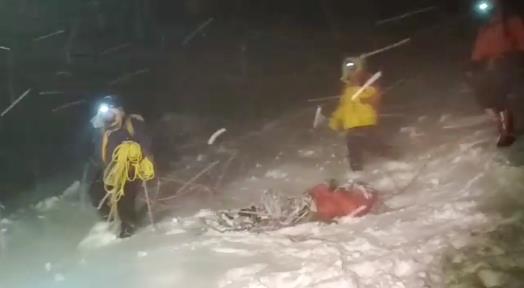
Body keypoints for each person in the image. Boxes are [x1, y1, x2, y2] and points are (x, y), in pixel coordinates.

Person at [88, 95, 154, 238]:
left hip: (131, 168)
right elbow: (99, 150)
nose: (108, 116)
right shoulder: (102, 129)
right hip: (110, 168)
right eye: (105, 113)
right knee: (95, 191)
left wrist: (139, 155)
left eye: (111, 112)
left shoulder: (132, 124)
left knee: (123, 194)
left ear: (120, 111)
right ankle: (110, 218)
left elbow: (146, 143)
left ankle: (128, 225)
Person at [468, 0, 524, 147]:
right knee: (486, 95)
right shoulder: (485, 28)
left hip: (508, 65)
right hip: (490, 68)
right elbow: (478, 52)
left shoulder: (511, 23)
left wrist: (510, 57)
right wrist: (474, 65)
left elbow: (521, 44)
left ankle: (507, 131)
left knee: (501, 94)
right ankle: (501, 125)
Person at [329, 56, 389, 171]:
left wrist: (361, 89)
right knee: (354, 151)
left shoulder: (368, 84)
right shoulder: (347, 89)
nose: (352, 73)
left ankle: (393, 156)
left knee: (373, 146)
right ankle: (357, 173)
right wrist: (335, 121)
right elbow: (343, 108)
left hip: (366, 123)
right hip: (351, 126)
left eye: (354, 68)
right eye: (349, 69)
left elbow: (374, 97)